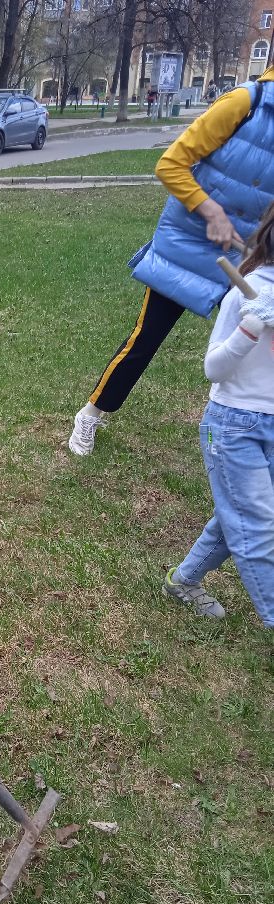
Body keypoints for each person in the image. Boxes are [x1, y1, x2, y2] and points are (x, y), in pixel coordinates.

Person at [68, 65, 274, 456]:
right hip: (191, 245)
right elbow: (171, 164)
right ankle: (91, 414)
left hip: (252, 253)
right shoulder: (246, 102)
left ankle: (242, 434)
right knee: (146, 339)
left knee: (260, 344)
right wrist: (209, 210)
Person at [163, 204, 274, 629]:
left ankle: (183, 579)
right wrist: (250, 329)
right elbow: (213, 368)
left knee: (243, 513)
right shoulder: (245, 291)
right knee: (257, 525)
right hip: (234, 425)